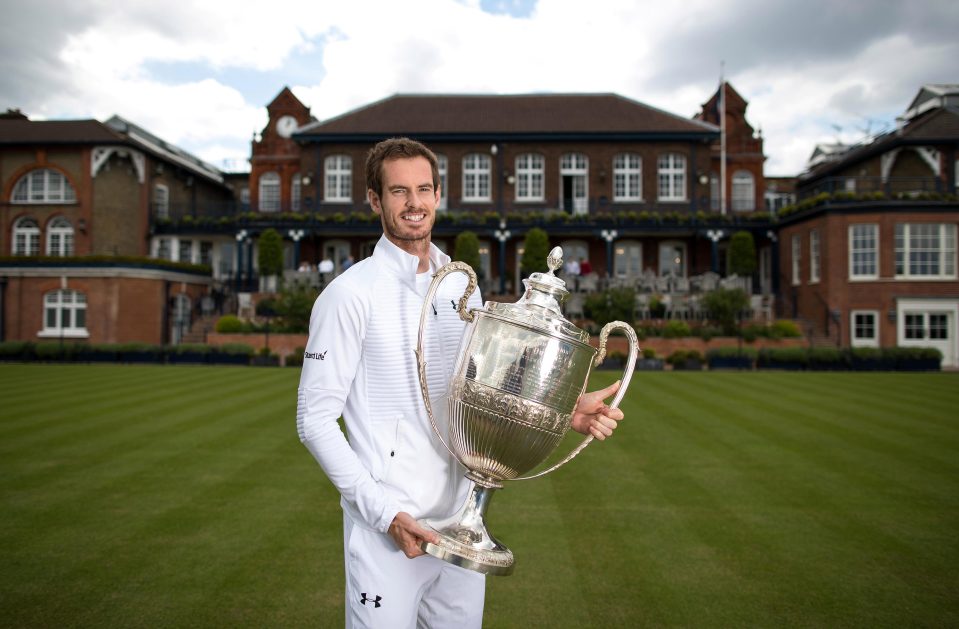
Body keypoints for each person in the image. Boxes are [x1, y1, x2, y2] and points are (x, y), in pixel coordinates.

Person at [296, 137, 625, 628]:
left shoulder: (456, 283)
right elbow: (314, 420)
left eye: (424, 189)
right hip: (391, 529)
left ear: (438, 193)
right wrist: (384, 514)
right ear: (374, 199)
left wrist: (563, 408)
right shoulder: (348, 295)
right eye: (399, 191)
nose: (414, 203)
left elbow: (476, 382)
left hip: (461, 523)